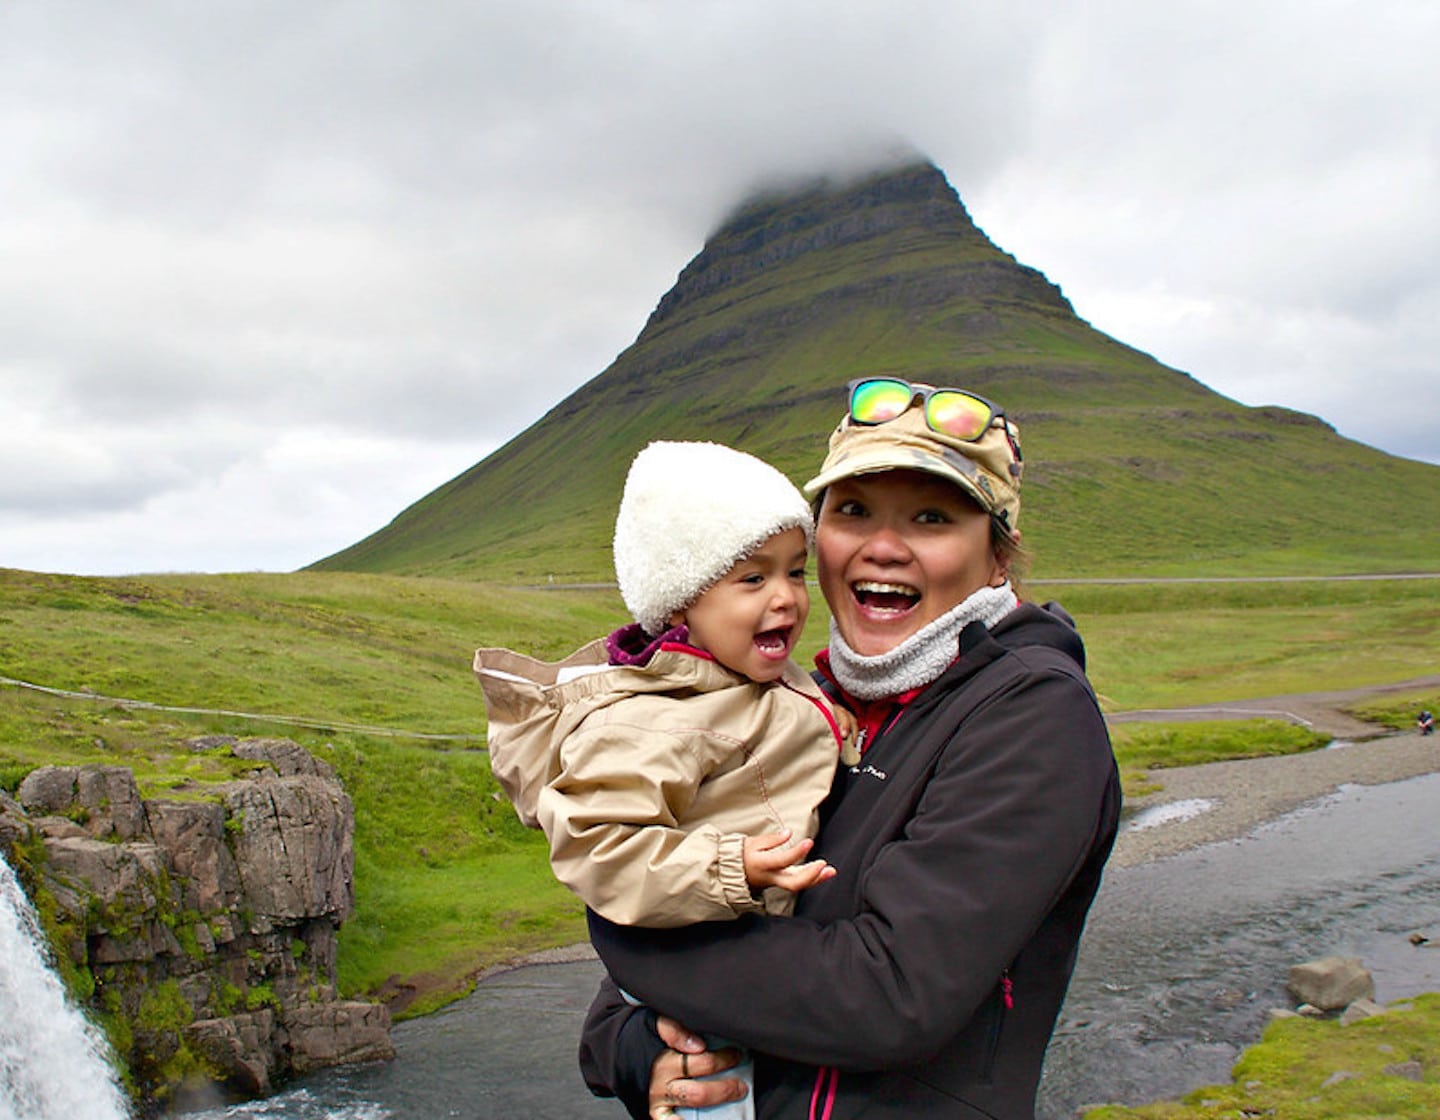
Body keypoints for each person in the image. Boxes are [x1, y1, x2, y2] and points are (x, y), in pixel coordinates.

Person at [578, 377, 1123, 1120]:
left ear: (998, 558)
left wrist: (619, 919)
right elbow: (612, 1024)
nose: (883, 547)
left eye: (931, 518)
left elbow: (889, 996)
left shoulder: (1034, 713)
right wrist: (645, 1055)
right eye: (853, 511)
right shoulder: (790, 704)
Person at [476, 440, 857, 1120]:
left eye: (796, 572)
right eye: (751, 578)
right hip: (704, 998)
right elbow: (599, 846)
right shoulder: (657, 721)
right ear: (681, 604)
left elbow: (802, 726)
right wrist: (728, 865)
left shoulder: (752, 674)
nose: (786, 599)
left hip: (750, 969)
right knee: (714, 1095)